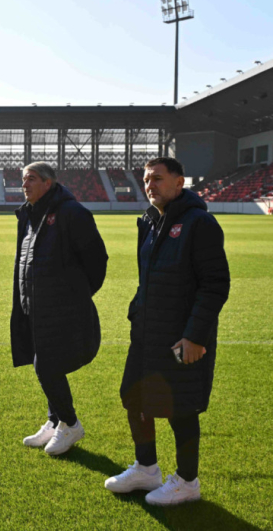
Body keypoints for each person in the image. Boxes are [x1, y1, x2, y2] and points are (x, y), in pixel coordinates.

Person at [105, 157, 230, 505]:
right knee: (134, 396)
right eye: (146, 179)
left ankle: (187, 481)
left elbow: (215, 284)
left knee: (181, 407)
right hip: (147, 332)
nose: (150, 185)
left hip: (181, 336)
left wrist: (195, 336)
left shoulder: (199, 223)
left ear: (179, 183)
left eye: (158, 178)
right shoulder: (148, 223)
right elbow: (149, 279)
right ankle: (146, 468)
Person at [10, 162, 108, 455]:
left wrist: (76, 295)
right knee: (42, 360)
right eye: (23, 180)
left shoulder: (72, 213)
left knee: (47, 365)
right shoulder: (28, 215)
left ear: (49, 183)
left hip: (62, 308)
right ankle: (54, 421)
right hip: (34, 306)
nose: (24, 185)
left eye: (31, 179)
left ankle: (70, 423)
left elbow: (97, 260)